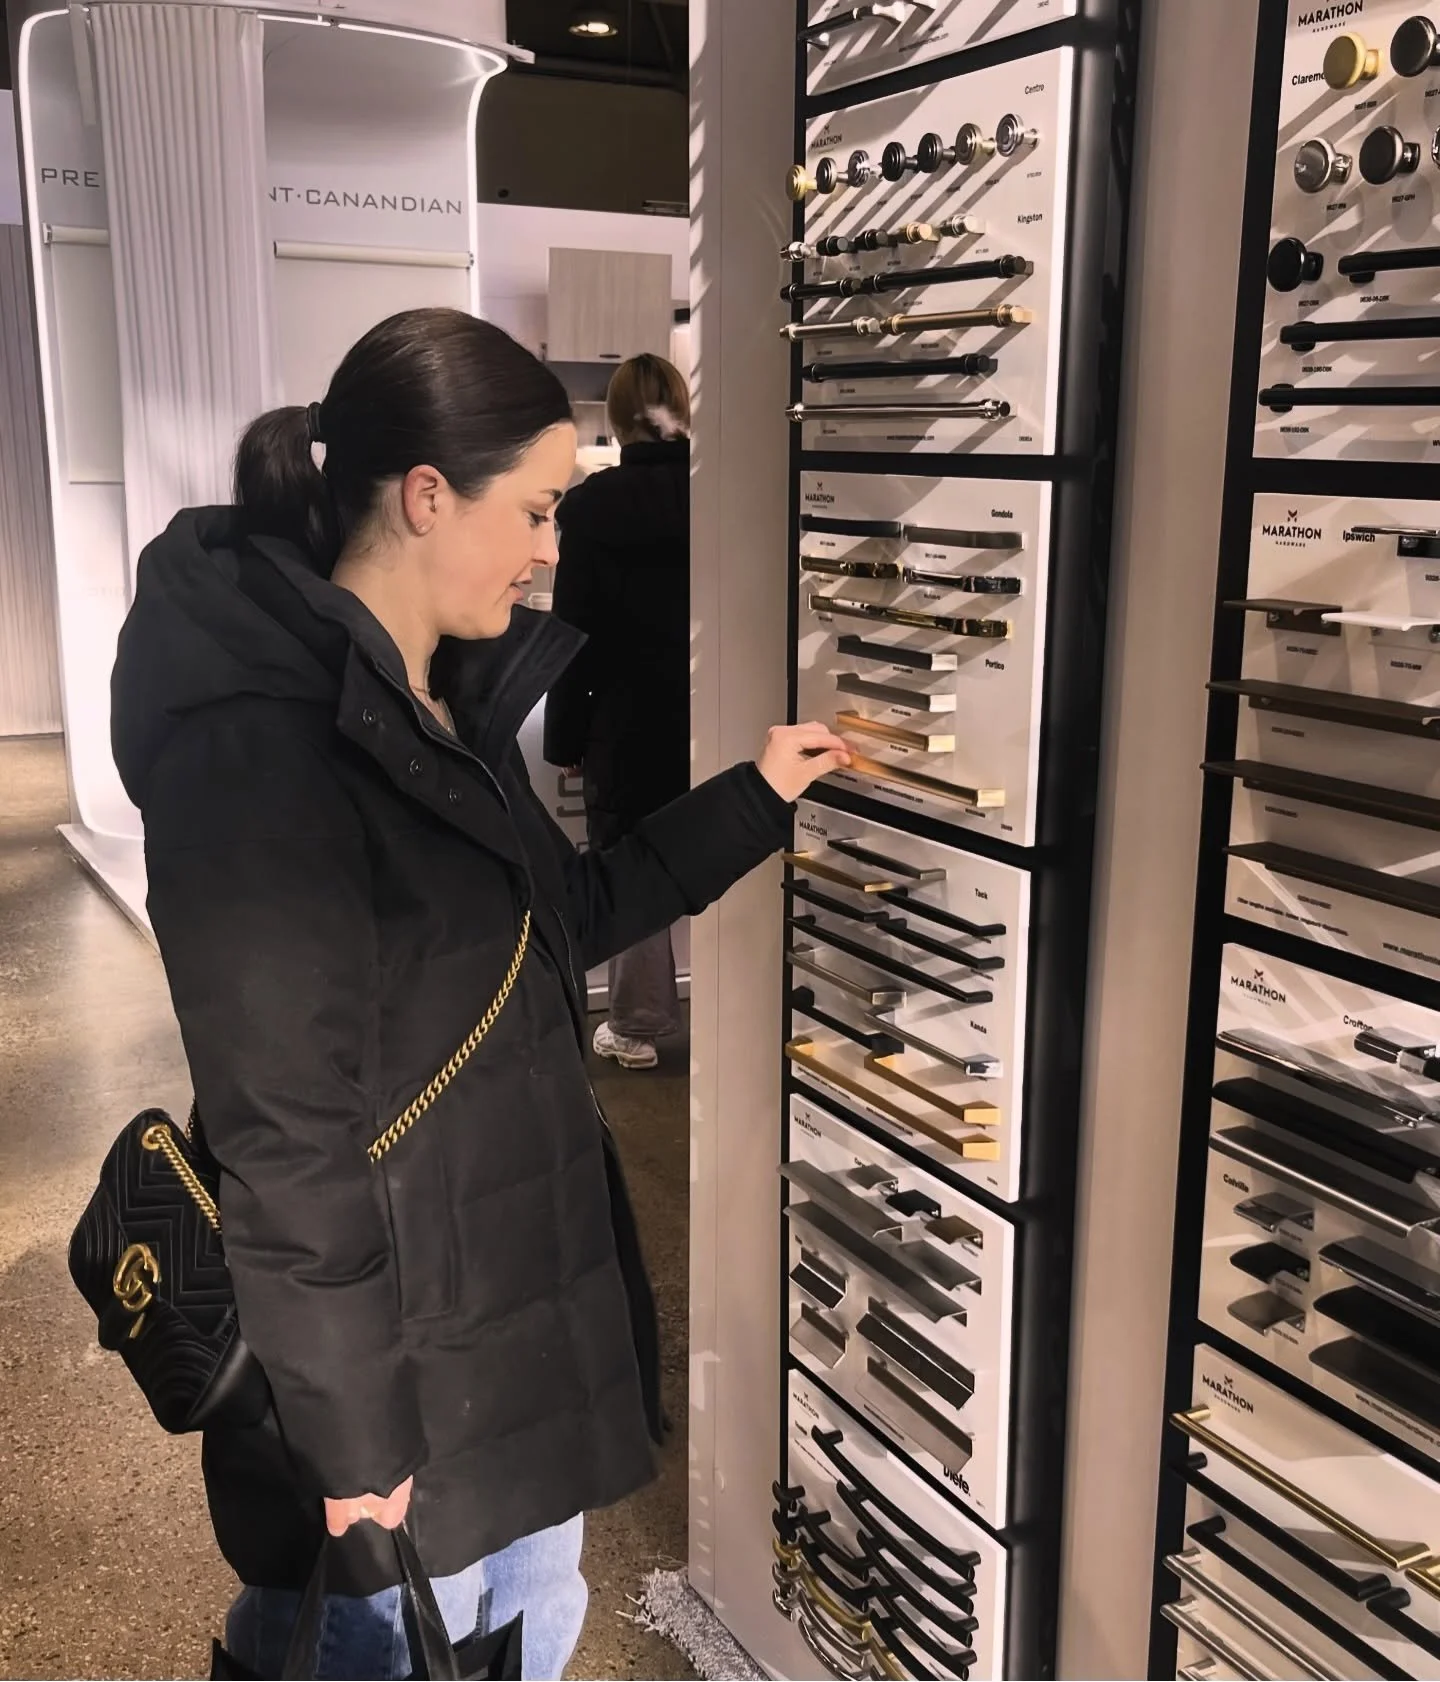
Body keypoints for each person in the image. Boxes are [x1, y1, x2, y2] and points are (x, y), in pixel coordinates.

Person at [108, 308, 849, 1681]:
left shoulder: (440, 698)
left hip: (509, 1330)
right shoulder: (256, 747)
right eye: (539, 508)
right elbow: (286, 1130)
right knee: (370, 1647)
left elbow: (567, 920)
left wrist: (756, 796)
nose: (553, 547)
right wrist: (352, 1438)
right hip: (390, 1372)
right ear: (427, 494)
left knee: (530, 1626)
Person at [543, 354, 691, 1071]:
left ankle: (635, 1027)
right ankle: (743, 1019)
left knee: (635, 868)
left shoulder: (594, 508)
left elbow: (575, 634)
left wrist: (565, 737)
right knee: (725, 848)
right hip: (712, 710)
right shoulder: (722, 493)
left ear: (617, 418)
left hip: (626, 723)